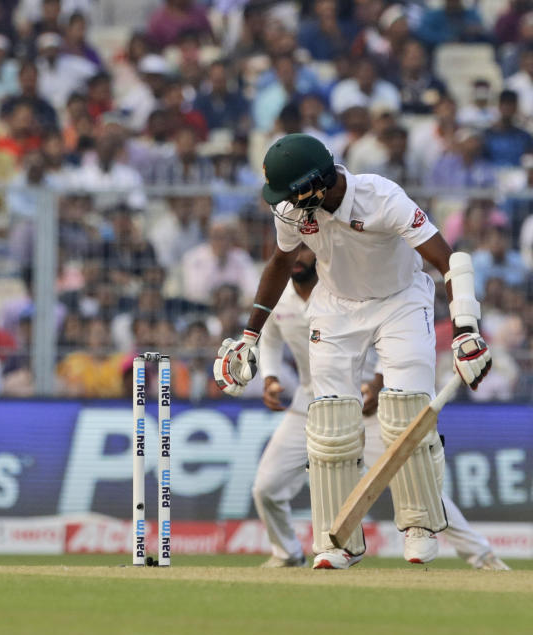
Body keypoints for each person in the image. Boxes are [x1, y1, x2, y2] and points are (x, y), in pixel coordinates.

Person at [215, 133, 492, 569]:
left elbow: (447, 259)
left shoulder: (381, 196)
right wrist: (250, 336)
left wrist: (465, 330)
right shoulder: (293, 211)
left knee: (405, 411)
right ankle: (335, 540)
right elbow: (280, 264)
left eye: (291, 192)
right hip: (337, 305)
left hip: (401, 301)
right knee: (329, 420)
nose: (284, 202)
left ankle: (418, 524)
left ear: (316, 183)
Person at [253, 245, 509, 570]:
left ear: (321, 251)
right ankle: (287, 553)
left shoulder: (345, 287)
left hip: (366, 408)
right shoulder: (282, 297)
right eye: (296, 250)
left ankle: (482, 555)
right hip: (310, 405)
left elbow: (387, 334)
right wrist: (271, 376)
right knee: (265, 488)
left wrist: (377, 382)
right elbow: (271, 339)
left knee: (418, 488)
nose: (300, 257)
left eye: (307, 249)